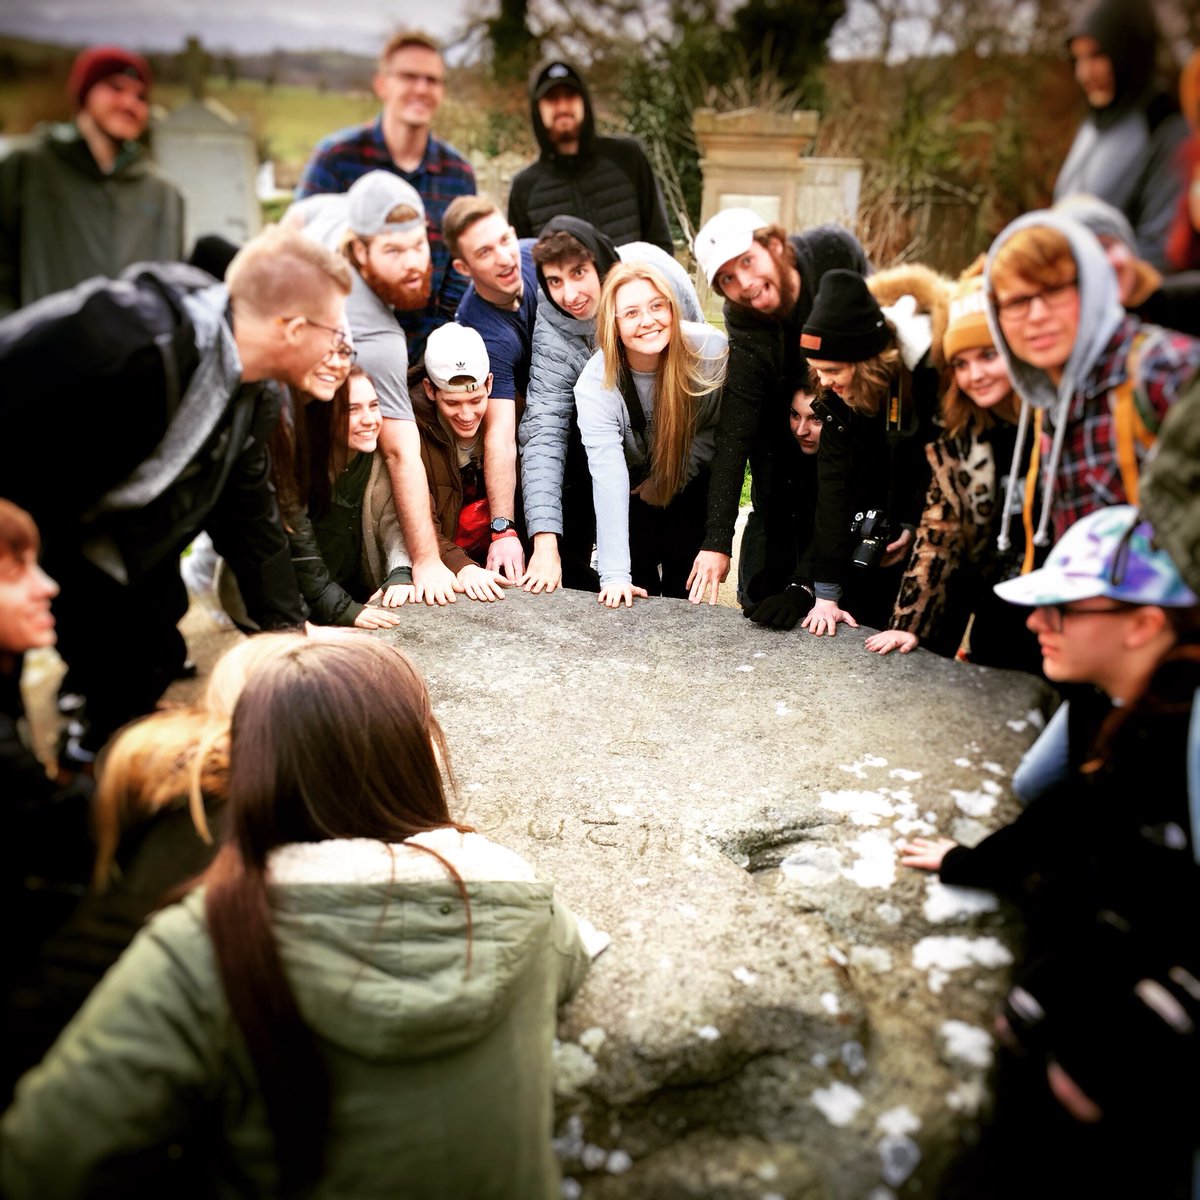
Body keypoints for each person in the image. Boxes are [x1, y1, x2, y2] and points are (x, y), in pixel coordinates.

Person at [0, 634, 597, 1198]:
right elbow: (571, 958)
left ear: (253, 769)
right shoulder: (517, 892)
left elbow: (43, 1156)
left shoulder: (204, 941)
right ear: (415, 758)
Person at [898, 506, 1200, 1199]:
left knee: (1081, 1087)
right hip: (1137, 936)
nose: (1036, 623)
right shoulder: (1127, 705)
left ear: (1144, 624)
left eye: (1060, 610)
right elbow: (1074, 812)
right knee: (1030, 1022)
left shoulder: (1181, 734)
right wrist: (966, 862)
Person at [0, 225, 352, 758]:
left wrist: (287, 637)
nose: (340, 350)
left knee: (152, 653)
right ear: (294, 328)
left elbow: (250, 515)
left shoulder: (250, 391)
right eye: (336, 334)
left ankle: (101, 759)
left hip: (110, 548)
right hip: (22, 535)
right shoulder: (123, 336)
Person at [985, 210, 1200, 555]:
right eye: (1018, 301)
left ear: (1092, 286)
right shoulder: (1048, 405)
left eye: (1054, 290)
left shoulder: (1164, 367)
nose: (1037, 316)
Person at [688, 208, 870, 606]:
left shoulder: (830, 253)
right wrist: (717, 540)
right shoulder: (743, 317)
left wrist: (811, 580)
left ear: (774, 245)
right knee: (773, 503)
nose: (746, 285)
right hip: (782, 410)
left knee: (836, 489)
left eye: (748, 262)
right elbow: (735, 430)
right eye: (728, 279)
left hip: (850, 404)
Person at [864, 268, 1041, 671]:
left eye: (988, 355)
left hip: (1061, 612)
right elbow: (938, 531)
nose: (974, 374)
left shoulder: (1054, 426)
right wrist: (910, 624)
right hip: (998, 610)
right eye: (960, 363)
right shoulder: (961, 438)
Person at [521, 215, 704, 594]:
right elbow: (543, 430)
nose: (569, 294)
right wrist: (544, 539)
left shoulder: (658, 276)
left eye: (578, 273)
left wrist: (674, 475)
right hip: (614, 450)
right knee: (630, 576)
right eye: (555, 281)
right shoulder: (555, 327)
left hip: (680, 446)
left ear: (602, 266)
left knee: (681, 565)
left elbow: (699, 391)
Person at [296, 30, 475, 360]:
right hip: (342, 354)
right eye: (409, 76)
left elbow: (458, 272)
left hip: (423, 356)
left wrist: (435, 346)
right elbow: (300, 253)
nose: (421, 88)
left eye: (432, 80)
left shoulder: (458, 174)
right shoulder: (337, 158)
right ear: (382, 84)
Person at [795, 267, 944, 637]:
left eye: (832, 370)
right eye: (816, 371)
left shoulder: (929, 379)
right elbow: (832, 489)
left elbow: (936, 470)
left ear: (868, 362)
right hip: (866, 521)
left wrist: (910, 522)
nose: (823, 382)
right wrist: (825, 593)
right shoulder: (833, 398)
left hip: (933, 530)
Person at [574, 262, 727, 608]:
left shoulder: (711, 353)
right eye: (630, 313)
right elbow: (608, 476)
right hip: (631, 487)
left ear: (673, 307)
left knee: (686, 595)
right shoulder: (597, 384)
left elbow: (715, 430)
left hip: (690, 481)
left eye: (657, 306)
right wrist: (614, 577)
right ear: (613, 325)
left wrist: (672, 477)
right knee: (634, 589)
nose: (647, 320)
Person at [0, 44, 184, 316]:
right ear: (85, 94)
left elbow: (172, 287)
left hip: (134, 355)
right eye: (116, 88)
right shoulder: (28, 168)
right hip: (44, 351)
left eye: (141, 97)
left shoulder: (164, 194)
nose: (130, 103)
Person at [443, 195, 538, 583]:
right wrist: (503, 528)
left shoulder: (536, 256)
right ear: (464, 268)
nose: (504, 257)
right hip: (534, 426)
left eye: (504, 240)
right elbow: (500, 434)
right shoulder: (481, 332)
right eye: (485, 251)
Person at [1052, 0, 1187, 272]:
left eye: (1097, 56)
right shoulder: (1095, 122)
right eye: (1078, 58)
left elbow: (1163, 252)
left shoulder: (1164, 127)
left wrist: (1077, 279)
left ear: (1128, 52)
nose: (1084, 74)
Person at [271, 367, 411, 628]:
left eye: (374, 405)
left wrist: (400, 571)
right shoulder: (295, 465)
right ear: (324, 415)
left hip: (351, 595)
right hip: (294, 604)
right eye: (352, 410)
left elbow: (394, 517)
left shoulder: (376, 456)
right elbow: (291, 550)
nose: (370, 419)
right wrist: (340, 609)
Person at [507, 59, 673, 253]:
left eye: (570, 96)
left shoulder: (627, 157)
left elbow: (660, 242)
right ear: (538, 109)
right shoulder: (524, 188)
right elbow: (525, 267)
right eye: (552, 98)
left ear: (584, 101)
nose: (562, 107)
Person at [410, 322, 515, 602]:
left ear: (490, 384)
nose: (467, 414)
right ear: (430, 390)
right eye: (453, 403)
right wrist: (463, 567)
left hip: (497, 553)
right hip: (445, 567)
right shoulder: (411, 431)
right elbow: (417, 520)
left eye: (476, 399)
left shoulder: (510, 417)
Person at [1053, 193, 1200, 336]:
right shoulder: (1061, 339)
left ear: (1128, 248)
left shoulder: (1189, 300)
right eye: (1085, 255)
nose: (1103, 264)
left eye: (1106, 246)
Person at [740, 379, 824, 630]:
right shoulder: (781, 456)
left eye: (815, 419)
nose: (801, 430)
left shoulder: (847, 465)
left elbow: (832, 526)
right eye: (795, 415)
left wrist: (802, 588)